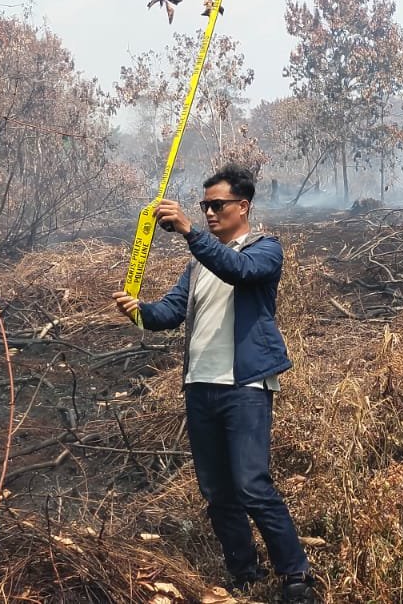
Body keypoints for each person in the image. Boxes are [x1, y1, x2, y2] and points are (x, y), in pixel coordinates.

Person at [112, 166, 318, 603]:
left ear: (243, 207)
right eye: (204, 206)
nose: (208, 212)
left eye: (217, 205)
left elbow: (237, 270)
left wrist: (189, 232)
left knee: (252, 484)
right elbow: (169, 313)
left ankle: (296, 574)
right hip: (200, 386)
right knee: (218, 491)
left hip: (244, 386)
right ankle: (243, 572)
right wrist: (138, 311)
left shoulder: (264, 250)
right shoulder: (198, 265)